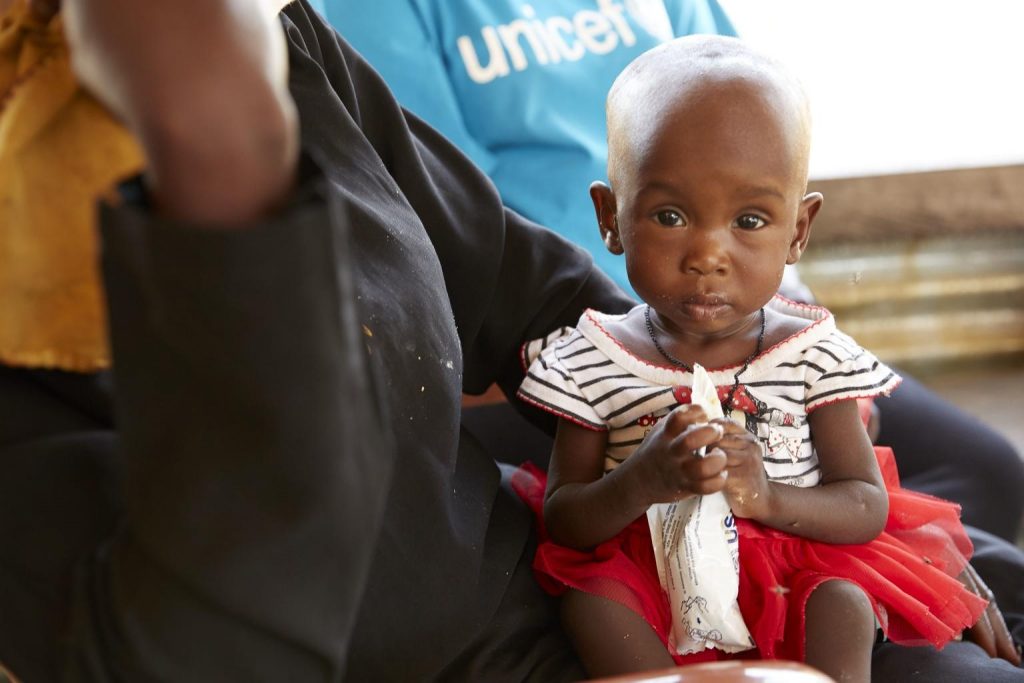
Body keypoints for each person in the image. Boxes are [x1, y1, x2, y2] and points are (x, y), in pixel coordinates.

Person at [0, 1, 1021, 682]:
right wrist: (218, 154)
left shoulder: (273, 40)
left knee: (982, 575)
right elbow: (218, 641)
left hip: (555, 593)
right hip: (553, 628)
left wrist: (870, 533)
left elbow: (518, 283)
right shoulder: (196, 93)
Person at [319, 0, 1024, 543]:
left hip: (745, 323)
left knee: (981, 477)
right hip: (575, 351)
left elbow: (756, 140)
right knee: (861, 529)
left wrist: (791, 343)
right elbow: (449, 237)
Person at [513, 35, 1015, 681]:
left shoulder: (811, 354)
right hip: (649, 570)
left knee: (843, 601)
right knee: (591, 604)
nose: (708, 254)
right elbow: (566, 519)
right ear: (610, 217)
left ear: (798, 231)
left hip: (792, 563)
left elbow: (865, 502)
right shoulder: (593, 357)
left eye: (750, 221)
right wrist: (641, 480)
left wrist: (768, 496)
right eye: (669, 215)